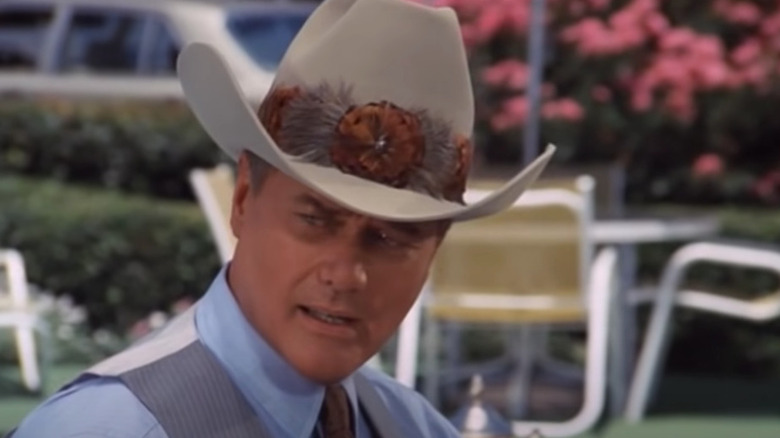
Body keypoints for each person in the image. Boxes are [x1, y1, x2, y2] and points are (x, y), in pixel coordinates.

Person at [8, 0, 555, 436]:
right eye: (315, 220)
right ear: (243, 198)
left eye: (389, 238)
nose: (346, 274)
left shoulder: (406, 423)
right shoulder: (112, 428)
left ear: (433, 254)